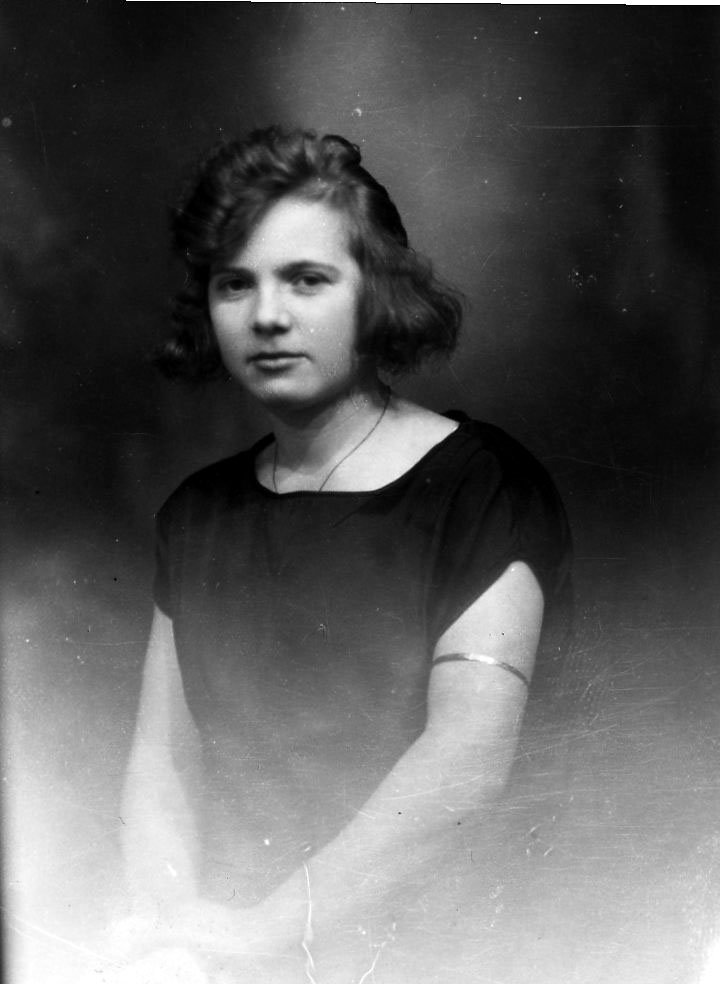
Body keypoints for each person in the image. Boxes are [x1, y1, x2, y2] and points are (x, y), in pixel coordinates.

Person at [115, 127, 572, 983]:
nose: (267, 316)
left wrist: (264, 934)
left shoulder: (481, 485)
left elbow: (466, 764)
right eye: (235, 283)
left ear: (376, 295)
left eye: (307, 279)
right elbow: (164, 760)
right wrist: (176, 938)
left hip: (443, 955)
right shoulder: (198, 514)